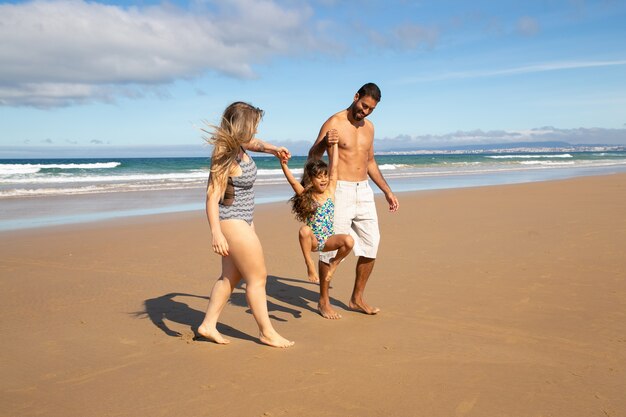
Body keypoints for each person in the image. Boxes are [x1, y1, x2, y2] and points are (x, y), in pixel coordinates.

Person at [197, 101, 294, 348]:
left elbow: (254, 144)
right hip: (232, 221)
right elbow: (211, 197)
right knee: (258, 278)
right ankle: (266, 332)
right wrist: (216, 233)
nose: (257, 132)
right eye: (254, 126)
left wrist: (273, 150)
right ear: (242, 126)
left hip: (244, 220)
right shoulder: (225, 154)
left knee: (229, 277)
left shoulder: (239, 144)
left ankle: (207, 325)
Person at [308, 83, 399, 320]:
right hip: (339, 190)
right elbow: (313, 156)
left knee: (371, 244)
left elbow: (369, 162)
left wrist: (386, 191)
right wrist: (323, 143)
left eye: (371, 109)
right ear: (356, 97)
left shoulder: (369, 128)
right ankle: (323, 301)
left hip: (364, 191)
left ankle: (356, 299)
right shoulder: (334, 122)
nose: (365, 112)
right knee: (331, 246)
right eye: (364, 106)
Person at [280, 132, 354, 286]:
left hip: (328, 240)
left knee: (349, 241)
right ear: (311, 179)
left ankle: (334, 263)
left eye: (325, 176)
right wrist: (283, 165)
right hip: (313, 241)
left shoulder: (330, 191)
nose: (324, 179)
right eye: (319, 177)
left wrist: (334, 145)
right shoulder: (307, 194)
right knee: (304, 230)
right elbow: (293, 182)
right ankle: (309, 264)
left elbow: (334, 166)